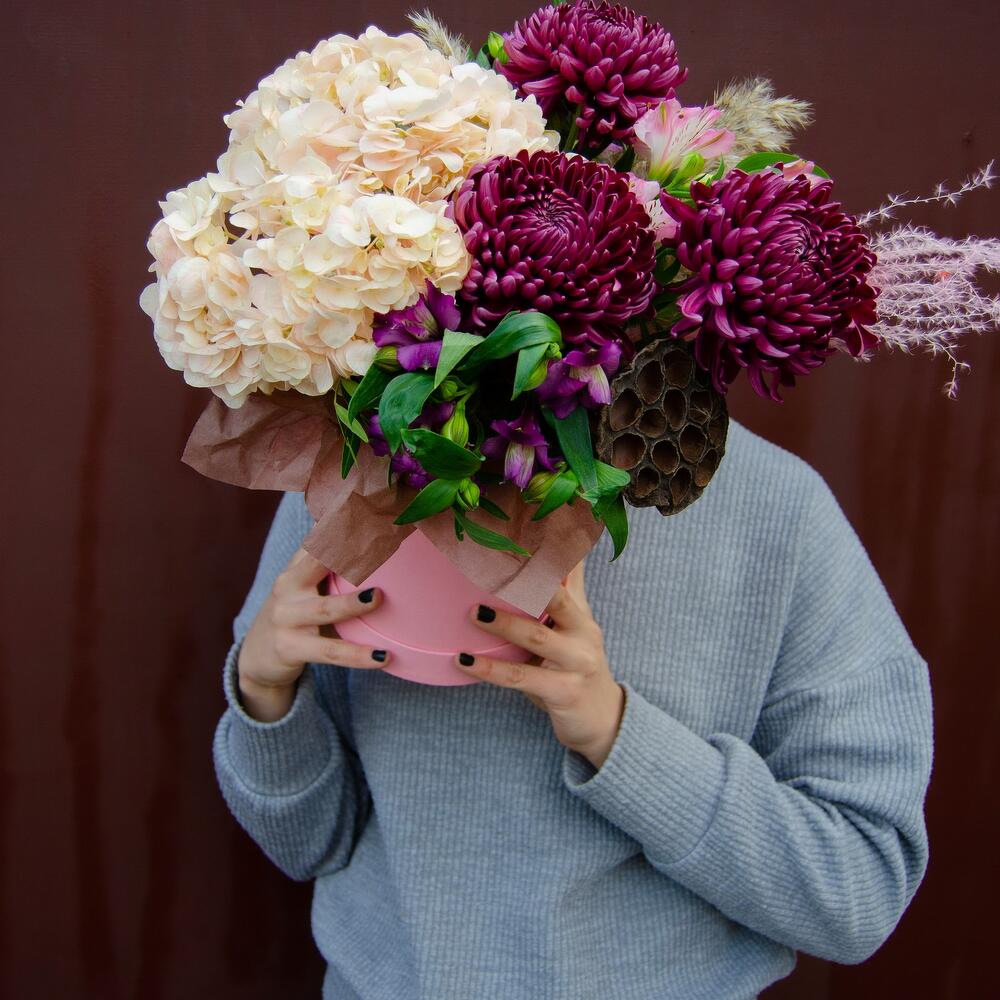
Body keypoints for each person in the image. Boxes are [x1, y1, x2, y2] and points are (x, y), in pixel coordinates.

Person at [213, 417, 933, 1000]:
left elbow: (858, 890)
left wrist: (619, 737)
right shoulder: (363, 453)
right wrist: (267, 698)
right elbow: (309, 843)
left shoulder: (777, 509)